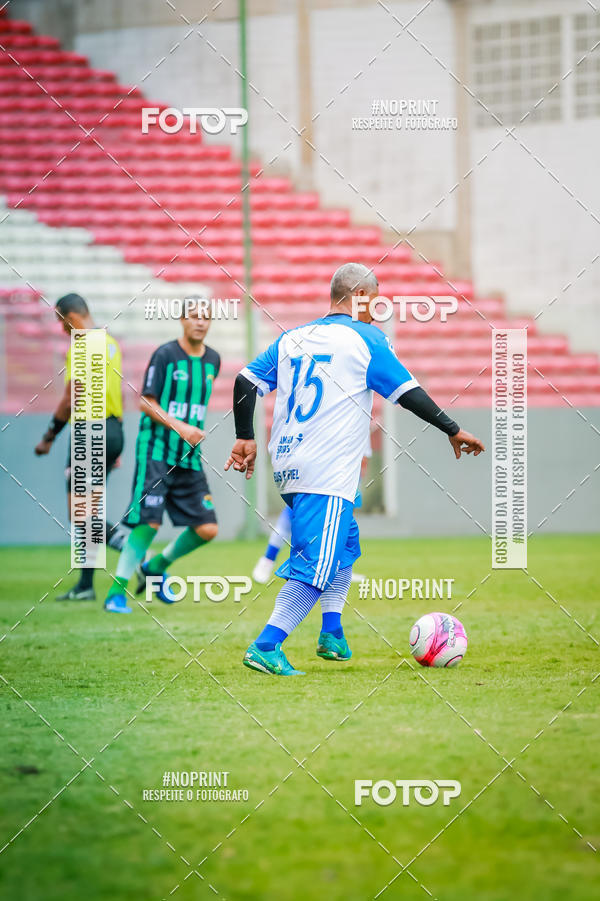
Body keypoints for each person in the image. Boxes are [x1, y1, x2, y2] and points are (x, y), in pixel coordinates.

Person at [225, 262, 485, 675]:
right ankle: (266, 644)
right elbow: (408, 392)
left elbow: (244, 382)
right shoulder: (366, 339)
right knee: (317, 563)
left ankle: (332, 633)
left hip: (290, 461)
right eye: (374, 302)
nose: (375, 311)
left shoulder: (292, 337)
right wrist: (452, 429)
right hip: (324, 468)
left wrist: (245, 436)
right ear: (360, 297)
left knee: (344, 548)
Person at [104, 299, 220, 614]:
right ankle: (116, 593)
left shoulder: (213, 360)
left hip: (188, 456)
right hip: (156, 451)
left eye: (206, 317)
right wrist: (181, 427)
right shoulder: (166, 355)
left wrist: (188, 434)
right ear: (182, 320)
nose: (201, 322)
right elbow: (146, 402)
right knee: (149, 523)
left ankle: (154, 566)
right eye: (194, 316)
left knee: (207, 528)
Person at [34, 293, 126, 601]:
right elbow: (118, 391)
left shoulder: (82, 344)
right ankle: (86, 585)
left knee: (81, 514)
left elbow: (72, 396)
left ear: (70, 318)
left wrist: (49, 436)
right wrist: (117, 441)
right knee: (91, 512)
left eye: (60, 323)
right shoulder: (110, 343)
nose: (62, 330)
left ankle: (136, 552)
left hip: (89, 431)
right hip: (112, 429)